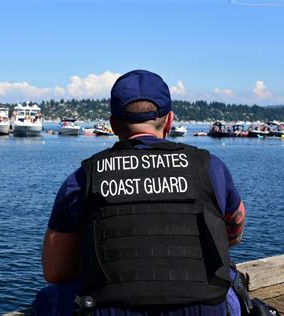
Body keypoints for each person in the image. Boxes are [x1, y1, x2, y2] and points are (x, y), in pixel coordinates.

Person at [38, 69, 246, 316]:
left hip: (108, 309)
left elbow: (55, 271)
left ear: (114, 124)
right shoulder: (210, 167)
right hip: (203, 308)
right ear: (169, 120)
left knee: (47, 299)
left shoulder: (83, 178)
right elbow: (233, 233)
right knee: (232, 282)